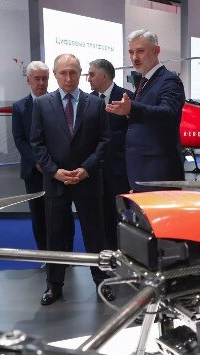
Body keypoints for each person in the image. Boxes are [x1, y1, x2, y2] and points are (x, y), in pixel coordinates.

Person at [30, 54, 114, 305]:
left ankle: (102, 281)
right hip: (56, 181)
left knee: (95, 234)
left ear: (81, 74)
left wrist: (87, 169)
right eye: (63, 73)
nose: (68, 78)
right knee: (55, 234)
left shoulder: (96, 104)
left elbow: (105, 141)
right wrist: (53, 171)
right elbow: (37, 143)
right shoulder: (42, 104)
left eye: (73, 72)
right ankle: (54, 285)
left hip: (88, 179)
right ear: (55, 75)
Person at [106, 29, 185, 192]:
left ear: (156, 51)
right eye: (131, 52)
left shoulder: (169, 80)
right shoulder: (145, 81)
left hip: (159, 174)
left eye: (140, 51)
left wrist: (132, 108)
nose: (135, 57)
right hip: (142, 171)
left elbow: (168, 113)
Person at [12, 61, 74, 253]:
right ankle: (45, 255)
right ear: (28, 80)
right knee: (38, 214)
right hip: (34, 172)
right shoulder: (20, 107)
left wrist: (51, 164)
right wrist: (37, 161)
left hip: (58, 170)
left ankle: (67, 254)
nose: (41, 83)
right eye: (37, 79)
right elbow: (20, 139)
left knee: (63, 214)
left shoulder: (59, 102)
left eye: (44, 79)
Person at [87, 59, 134, 249]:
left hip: (120, 170)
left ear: (104, 76)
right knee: (102, 216)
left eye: (91, 74)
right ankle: (109, 252)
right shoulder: (88, 99)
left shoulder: (126, 97)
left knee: (124, 215)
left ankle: (128, 252)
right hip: (95, 171)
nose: (88, 79)